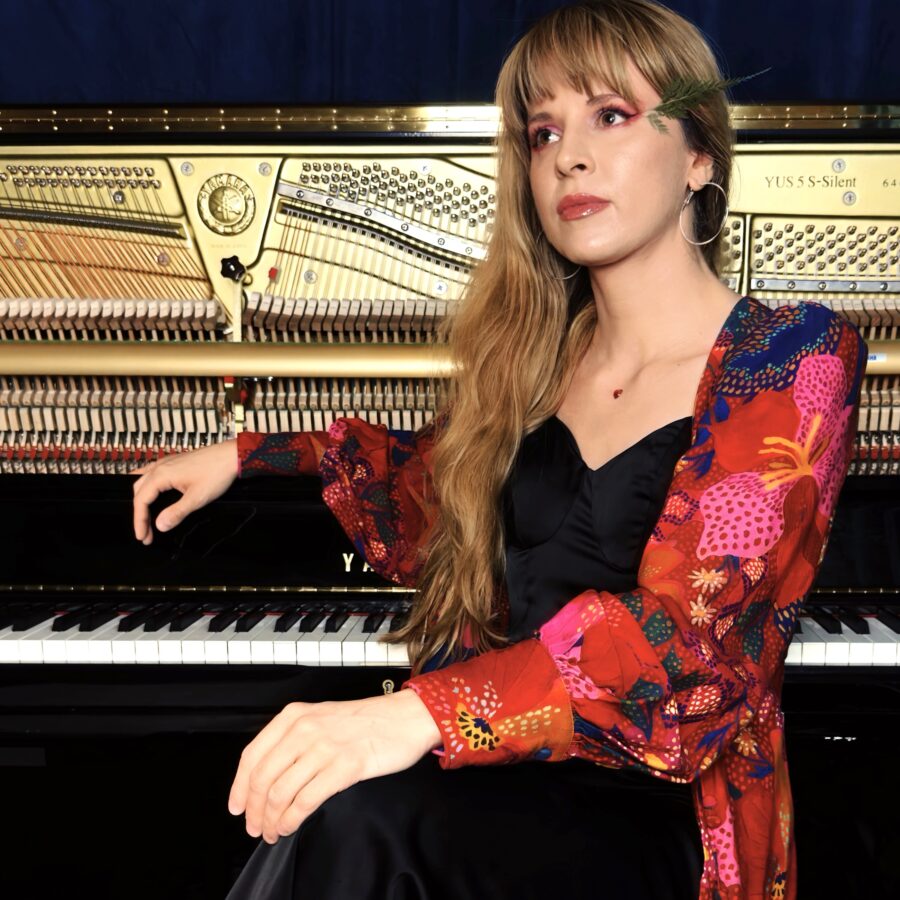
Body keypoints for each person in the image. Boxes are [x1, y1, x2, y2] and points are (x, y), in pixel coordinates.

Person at [131, 2, 866, 898]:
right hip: (493, 777)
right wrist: (252, 453)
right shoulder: (535, 360)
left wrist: (415, 716)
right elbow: (432, 488)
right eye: (543, 131)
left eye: (611, 115)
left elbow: (690, 647)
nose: (568, 156)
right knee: (339, 812)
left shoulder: (789, 356)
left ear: (699, 156)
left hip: (655, 808)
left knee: (361, 820)